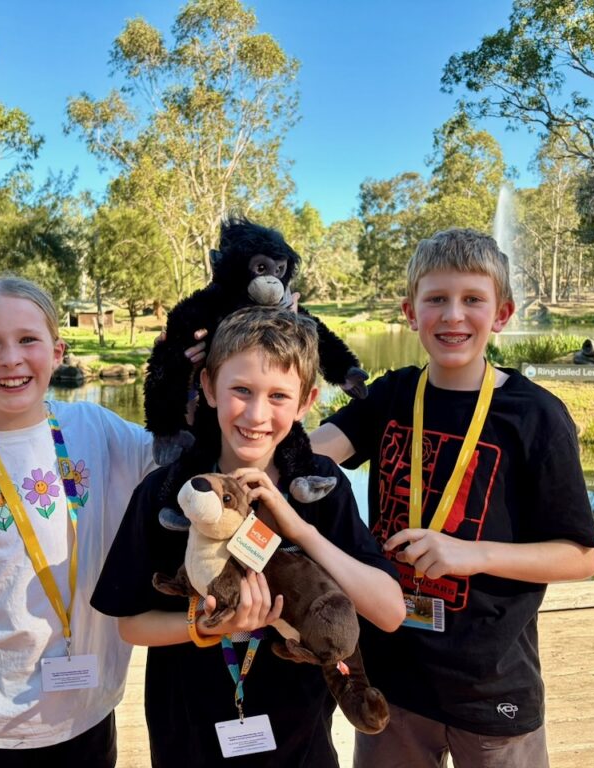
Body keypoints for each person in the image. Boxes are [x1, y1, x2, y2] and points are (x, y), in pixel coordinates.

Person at [311, 228, 594, 768]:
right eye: (436, 299)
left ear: (502, 314)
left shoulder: (535, 415)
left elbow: (581, 556)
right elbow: (305, 457)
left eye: (472, 299)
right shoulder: (391, 396)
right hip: (391, 683)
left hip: (491, 689)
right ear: (410, 311)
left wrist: (475, 554)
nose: (452, 316)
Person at [0, 276, 198, 767]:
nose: (11, 358)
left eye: (28, 339)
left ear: (57, 353)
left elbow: (198, 457)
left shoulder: (100, 431)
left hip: (86, 717)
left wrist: (193, 364)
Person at [92, 306, 405, 768]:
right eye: (241, 390)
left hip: (300, 748)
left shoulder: (320, 485)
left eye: (279, 396)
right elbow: (131, 624)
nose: (257, 414)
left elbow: (390, 612)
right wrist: (206, 626)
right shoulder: (167, 492)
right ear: (208, 387)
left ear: (306, 401)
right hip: (189, 744)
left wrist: (299, 529)